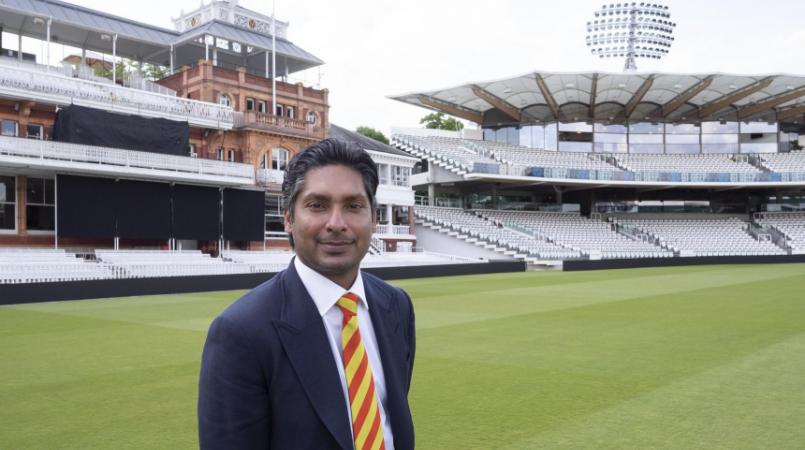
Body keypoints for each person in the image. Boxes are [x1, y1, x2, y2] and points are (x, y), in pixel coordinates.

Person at [198, 138, 416, 450]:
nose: (337, 224)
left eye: (354, 206)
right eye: (318, 205)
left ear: (374, 217)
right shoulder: (240, 332)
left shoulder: (397, 305)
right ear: (289, 218)